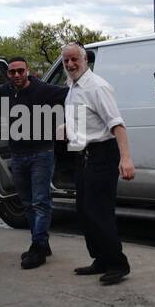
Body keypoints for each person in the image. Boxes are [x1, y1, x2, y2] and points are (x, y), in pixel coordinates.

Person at [62, 42, 134, 284]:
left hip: (102, 155)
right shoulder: (72, 86)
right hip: (83, 156)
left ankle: (118, 263)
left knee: (99, 212)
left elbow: (117, 125)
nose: (70, 64)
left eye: (75, 59)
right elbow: (81, 121)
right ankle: (101, 259)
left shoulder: (97, 87)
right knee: (84, 212)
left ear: (86, 60)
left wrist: (126, 158)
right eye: (66, 61)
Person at [0, 56, 70, 269]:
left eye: (20, 71)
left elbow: (71, 94)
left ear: (28, 71)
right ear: (8, 74)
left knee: (40, 201)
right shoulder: (5, 91)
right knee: (26, 202)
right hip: (17, 156)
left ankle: (38, 248)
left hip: (41, 154)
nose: (16, 75)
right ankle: (41, 242)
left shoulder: (43, 89)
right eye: (12, 72)